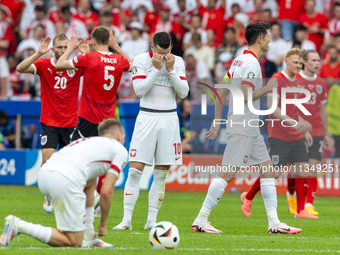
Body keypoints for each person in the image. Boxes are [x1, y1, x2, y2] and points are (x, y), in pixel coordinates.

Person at [192, 23, 302, 234]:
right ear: (260, 39)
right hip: (242, 125)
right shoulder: (251, 64)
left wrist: (217, 120)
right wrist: (268, 88)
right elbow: (245, 96)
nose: (270, 39)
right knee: (227, 174)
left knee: (268, 170)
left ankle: (274, 224)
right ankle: (201, 219)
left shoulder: (239, 60)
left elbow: (221, 90)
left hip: (248, 126)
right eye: (268, 36)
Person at [0, 119, 128, 248]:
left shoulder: (88, 141)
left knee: (90, 182)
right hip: (64, 179)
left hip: (45, 174)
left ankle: (89, 236)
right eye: (123, 136)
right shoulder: (120, 150)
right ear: (118, 135)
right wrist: (103, 225)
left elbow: (90, 182)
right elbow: (106, 191)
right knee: (74, 242)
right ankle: (19, 225)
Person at [112, 31, 189, 230]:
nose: (163, 57)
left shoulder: (177, 61)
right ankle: (126, 221)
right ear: (152, 47)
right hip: (147, 117)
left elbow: (183, 92)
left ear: (171, 47)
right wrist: (155, 70)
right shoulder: (140, 60)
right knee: (135, 171)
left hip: (170, 119)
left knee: (161, 174)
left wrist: (171, 70)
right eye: (159, 52)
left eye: (167, 52)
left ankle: (151, 221)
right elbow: (139, 91)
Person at [56, 26, 132, 203]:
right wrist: (117, 47)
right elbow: (134, 68)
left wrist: (71, 48)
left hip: (89, 117)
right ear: (109, 40)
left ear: (93, 40)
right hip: (108, 119)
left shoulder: (88, 58)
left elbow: (60, 64)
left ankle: (77, 194)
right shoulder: (119, 60)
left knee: (72, 153)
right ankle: (95, 197)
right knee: (101, 159)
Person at [240, 48, 315, 219]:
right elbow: (273, 108)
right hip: (279, 133)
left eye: (300, 63)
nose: (298, 65)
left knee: (302, 170)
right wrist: (295, 123)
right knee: (273, 173)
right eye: (295, 62)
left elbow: (298, 109)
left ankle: (300, 210)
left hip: (296, 134)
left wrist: (304, 128)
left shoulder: (299, 82)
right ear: (287, 61)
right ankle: (248, 196)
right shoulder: (276, 80)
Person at [16, 34, 87, 213]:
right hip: (49, 121)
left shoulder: (76, 64)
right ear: (53, 48)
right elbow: (20, 68)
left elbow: (95, 70)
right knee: (47, 159)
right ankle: (48, 193)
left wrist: (87, 54)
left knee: (69, 165)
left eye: (66, 47)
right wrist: (38, 53)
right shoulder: (44, 64)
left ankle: (66, 195)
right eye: (60, 47)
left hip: (71, 122)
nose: (63, 50)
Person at [295, 49, 332, 216]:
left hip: (317, 130)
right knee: (297, 169)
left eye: (318, 60)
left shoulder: (321, 83)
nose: (317, 63)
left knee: (313, 168)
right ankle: (295, 199)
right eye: (314, 60)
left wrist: (327, 133)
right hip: (299, 131)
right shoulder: (295, 80)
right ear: (304, 61)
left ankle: (308, 204)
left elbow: (323, 109)